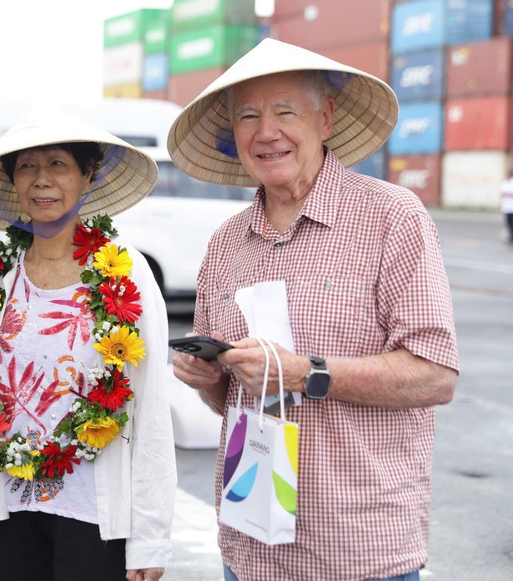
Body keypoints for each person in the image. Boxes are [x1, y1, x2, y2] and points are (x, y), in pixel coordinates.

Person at [168, 38, 460, 581]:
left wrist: (306, 373)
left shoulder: (390, 216)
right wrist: (206, 376)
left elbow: (435, 376)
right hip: (250, 543)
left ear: (325, 118)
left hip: (355, 545)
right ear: (234, 136)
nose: (266, 131)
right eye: (248, 116)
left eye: (285, 111)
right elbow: (227, 399)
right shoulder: (227, 242)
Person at [0, 109, 176, 581]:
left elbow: (150, 407)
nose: (42, 180)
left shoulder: (125, 274)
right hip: (15, 502)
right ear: (13, 182)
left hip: (96, 511)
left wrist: (150, 539)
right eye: (27, 167)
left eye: (58, 165)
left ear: (86, 176)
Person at [500, 170, 513, 243]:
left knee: (512, 221)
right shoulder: (505, 183)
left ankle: (512, 235)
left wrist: (509, 193)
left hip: (512, 206)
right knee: (508, 221)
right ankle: (510, 234)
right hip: (506, 206)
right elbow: (502, 193)